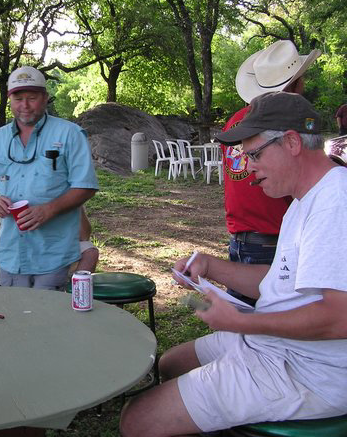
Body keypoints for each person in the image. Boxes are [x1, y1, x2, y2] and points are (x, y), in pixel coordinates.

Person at [119, 91, 347, 437]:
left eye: (254, 154)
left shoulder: (335, 201)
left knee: (136, 420)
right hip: (276, 345)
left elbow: (340, 318)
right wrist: (211, 266)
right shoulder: (303, 198)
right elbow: (281, 279)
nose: (248, 167)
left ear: (291, 142)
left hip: (309, 371)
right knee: (171, 363)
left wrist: (243, 322)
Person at [0, 66, 98, 290]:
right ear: (10, 100)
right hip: (10, 252)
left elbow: (85, 186)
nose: (25, 105)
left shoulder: (69, 134)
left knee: (47, 311)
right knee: (11, 311)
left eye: (32, 98)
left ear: (45, 98)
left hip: (53, 252)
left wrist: (48, 210)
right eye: (18, 99)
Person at [221, 40, 321, 305]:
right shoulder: (285, 126)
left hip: (241, 236)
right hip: (274, 237)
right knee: (279, 309)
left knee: (246, 313)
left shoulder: (236, 121)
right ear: (296, 85)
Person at [69, 206, 99, 274]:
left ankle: (80, 280)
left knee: (90, 252)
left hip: (63, 244)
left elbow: (84, 236)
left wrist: (77, 205)